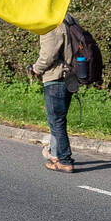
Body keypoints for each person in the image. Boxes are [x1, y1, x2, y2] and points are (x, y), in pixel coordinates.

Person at [31, 14, 80, 173]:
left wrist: (36, 68)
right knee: (59, 119)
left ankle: (65, 160)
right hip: (70, 76)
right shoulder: (70, 19)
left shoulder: (51, 23)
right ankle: (56, 155)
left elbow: (49, 54)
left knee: (57, 121)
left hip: (56, 77)